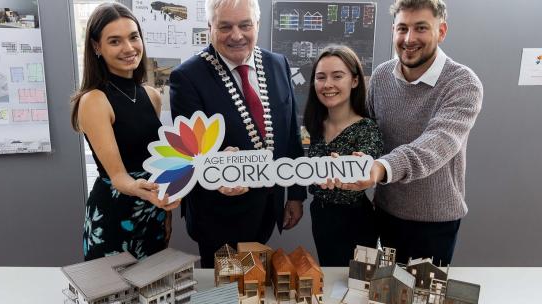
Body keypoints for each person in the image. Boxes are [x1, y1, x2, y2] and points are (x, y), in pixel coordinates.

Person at [340, 0, 483, 266]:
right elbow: (370, 135)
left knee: (421, 302)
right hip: (385, 211)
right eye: (402, 28)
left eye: (421, 28)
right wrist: (351, 159)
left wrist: (380, 168)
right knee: (382, 297)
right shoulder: (382, 76)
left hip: (434, 222)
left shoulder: (463, 83)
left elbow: (436, 144)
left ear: (441, 31)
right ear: (393, 30)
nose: (409, 38)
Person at [169, 0, 306, 267]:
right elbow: (191, 150)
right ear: (210, 27)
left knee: (254, 287)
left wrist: (297, 194)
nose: (236, 35)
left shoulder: (278, 64)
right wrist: (215, 165)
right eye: (225, 26)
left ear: (258, 24)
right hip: (218, 214)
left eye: (245, 25)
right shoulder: (187, 77)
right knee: (225, 296)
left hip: (269, 206)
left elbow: (291, 133)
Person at [70, 3, 179, 261]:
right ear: (97, 47)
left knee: (153, 294)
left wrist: (166, 211)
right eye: (115, 41)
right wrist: (147, 192)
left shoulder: (151, 95)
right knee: (114, 296)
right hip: (114, 214)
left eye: (133, 37)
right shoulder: (94, 100)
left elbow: (158, 162)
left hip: (152, 211)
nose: (129, 48)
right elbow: (118, 176)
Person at [304, 46, 383, 266]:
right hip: (320, 216)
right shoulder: (315, 126)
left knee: (356, 285)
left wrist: (349, 168)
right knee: (329, 278)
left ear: (355, 81)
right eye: (321, 77)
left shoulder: (366, 128)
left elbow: (366, 165)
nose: (327, 84)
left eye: (337, 76)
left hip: (356, 221)